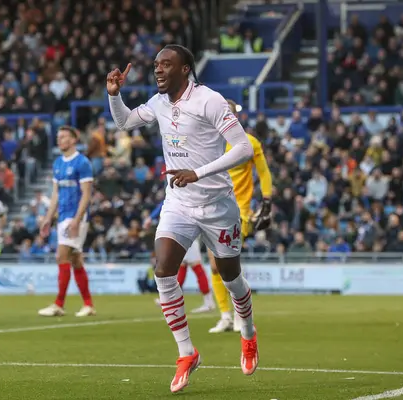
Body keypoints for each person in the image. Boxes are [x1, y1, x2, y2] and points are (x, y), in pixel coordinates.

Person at [107, 44, 259, 393]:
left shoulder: (210, 100)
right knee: (163, 269)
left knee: (231, 278)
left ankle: (248, 333)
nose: (158, 70)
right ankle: (187, 352)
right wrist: (114, 96)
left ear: (186, 69)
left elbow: (243, 148)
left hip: (218, 205)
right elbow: (124, 122)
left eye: (166, 65)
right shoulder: (159, 103)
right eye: (156, 64)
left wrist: (199, 172)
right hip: (178, 202)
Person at [208, 99, 273, 334]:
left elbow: (264, 172)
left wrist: (266, 200)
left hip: (239, 210)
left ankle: (239, 314)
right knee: (215, 266)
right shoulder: (209, 142)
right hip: (212, 208)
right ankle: (225, 316)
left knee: (229, 264)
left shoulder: (249, 142)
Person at [37, 126, 95, 318]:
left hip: (76, 217)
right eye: (58, 136)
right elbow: (55, 195)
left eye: (63, 137)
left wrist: (77, 220)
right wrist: (47, 218)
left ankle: (58, 304)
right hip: (62, 217)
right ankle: (88, 305)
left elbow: (86, 195)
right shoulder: (57, 164)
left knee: (61, 257)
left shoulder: (82, 162)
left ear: (73, 139)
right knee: (76, 260)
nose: (59, 140)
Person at [145, 201, 215, 313]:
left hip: (186, 233)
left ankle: (208, 302)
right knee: (182, 268)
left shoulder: (180, 194)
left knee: (196, 267)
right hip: (186, 232)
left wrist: (151, 217)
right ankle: (172, 299)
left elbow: (165, 202)